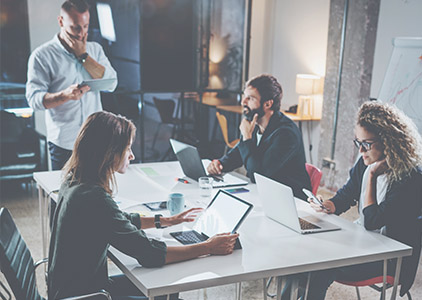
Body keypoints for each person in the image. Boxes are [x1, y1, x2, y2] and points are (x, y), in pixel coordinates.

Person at [47, 111, 239, 300]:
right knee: (165, 282)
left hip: (72, 289)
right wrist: (207, 247)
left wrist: (164, 220)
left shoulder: (76, 180)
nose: (132, 156)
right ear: (109, 152)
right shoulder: (94, 197)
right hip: (88, 295)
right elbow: (149, 254)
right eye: (128, 148)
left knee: (165, 283)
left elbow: (115, 219)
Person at [281, 101, 422, 300]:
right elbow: (348, 192)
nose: (361, 151)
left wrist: (372, 176)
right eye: (358, 142)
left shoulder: (410, 177)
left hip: (388, 256)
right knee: (304, 253)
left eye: (366, 144)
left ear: (388, 141)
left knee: (321, 265)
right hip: (362, 241)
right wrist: (331, 205)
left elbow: (373, 220)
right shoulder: (367, 161)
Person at [26, 0, 117, 170]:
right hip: (63, 143)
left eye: (86, 26)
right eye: (75, 27)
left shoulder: (95, 50)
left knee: (93, 193)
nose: (82, 33)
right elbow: (34, 99)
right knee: (63, 194)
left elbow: (111, 83)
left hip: (95, 139)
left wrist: (83, 56)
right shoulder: (42, 56)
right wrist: (64, 95)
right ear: (61, 21)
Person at [207, 74, 311, 199]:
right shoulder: (255, 123)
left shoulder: (286, 134)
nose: (243, 102)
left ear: (267, 104)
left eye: (250, 98)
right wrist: (220, 164)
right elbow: (239, 153)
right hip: (265, 193)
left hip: (290, 200)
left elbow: (257, 175)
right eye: (244, 96)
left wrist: (247, 137)